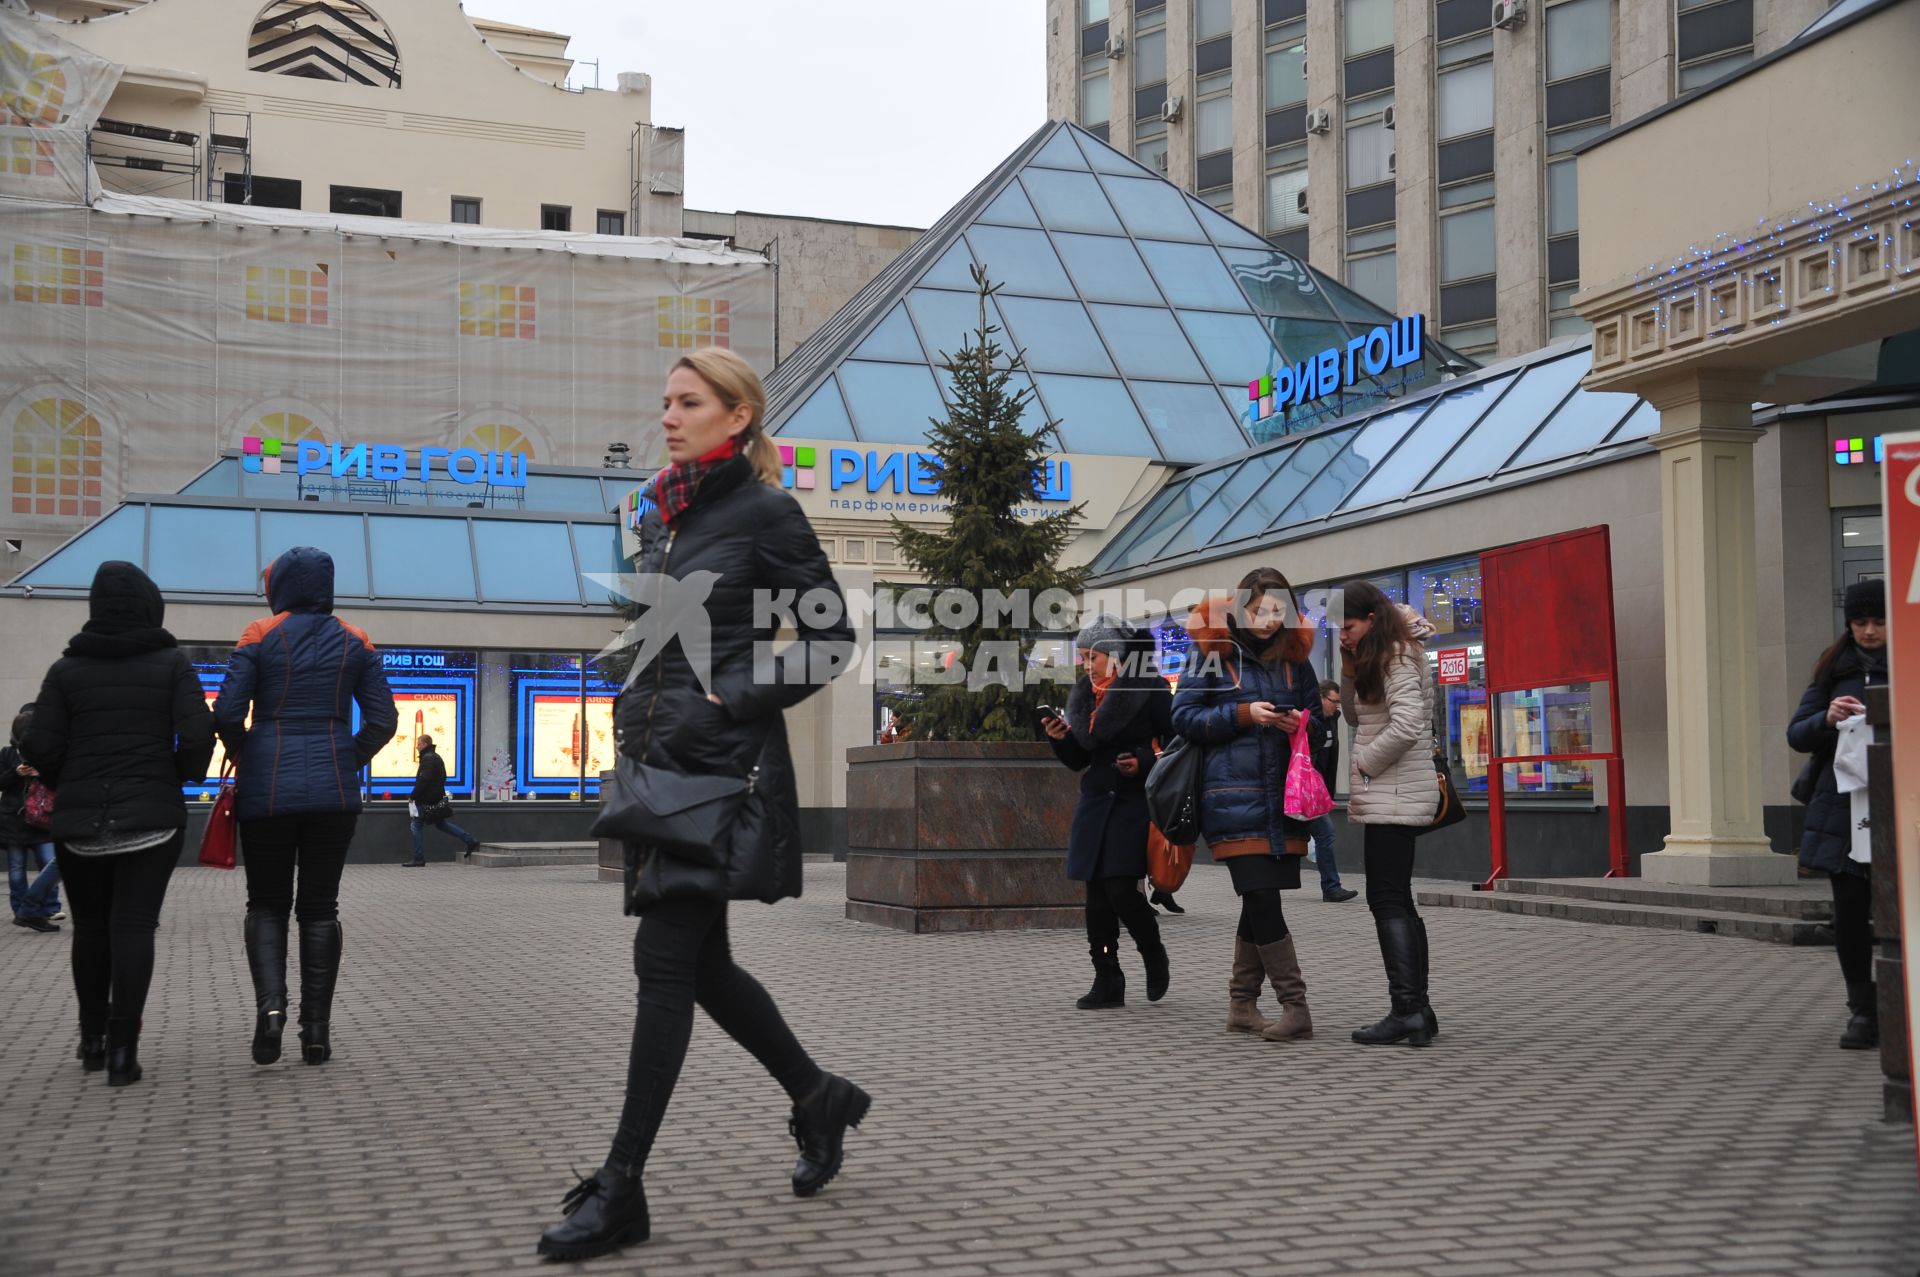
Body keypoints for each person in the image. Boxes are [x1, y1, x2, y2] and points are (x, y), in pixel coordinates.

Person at [538, 348, 864, 1262]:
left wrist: (738, 692)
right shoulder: (667, 519)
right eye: (667, 403)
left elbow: (832, 636)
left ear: (739, 416)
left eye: (689, 402)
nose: (670, 417)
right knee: (705, 966)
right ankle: (818, 1096)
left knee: (664, 963)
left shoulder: (765, 511)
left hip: (717, 774)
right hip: (659, 767)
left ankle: (621, 1187)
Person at [23, 561, 214, 1085]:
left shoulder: (66, 671)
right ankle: (124, 1054)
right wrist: (173, 778)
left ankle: (92, 1039)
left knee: (90, 928)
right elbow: (198, 735)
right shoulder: (172, 664)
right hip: (152, 818)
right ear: (152, 606)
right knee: (133, 926)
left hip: (78, 822)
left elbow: (37, 743)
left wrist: (70, 780)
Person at [213, 546, 397, 1068]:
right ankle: (316, 1031)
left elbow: (226, 711)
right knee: (320, 908)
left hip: (266, 790)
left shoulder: (258, 635)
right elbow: (384, 720)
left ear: (280, 587)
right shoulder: (356, 640)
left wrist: (247, 751)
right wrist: (346, 757)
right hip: (334, 795)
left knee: (266, 904)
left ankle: (270, 1011)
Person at [1170, 568, 1321, 1043]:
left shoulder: (1297, 661)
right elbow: (1184, 718)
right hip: (1231, 798)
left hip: (1284, 801)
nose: (1269, 619)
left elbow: (1319, 724)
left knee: (1258, 900)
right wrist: (1243, 714)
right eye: (1260, 610)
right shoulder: (1214, 655)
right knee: (1259, 894)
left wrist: (1299, 723)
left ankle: (1241, 1005)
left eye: (1278, 610)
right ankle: (1295, 1006)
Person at [1042, 614, 1172, 1010]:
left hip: (1134, 802)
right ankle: (1107, 975)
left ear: (1113, 656)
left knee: (1120, 888)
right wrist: (1060, 740)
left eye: (1091, 657)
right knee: (1096, 897)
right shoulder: (1084, 694)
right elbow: (1080, 758)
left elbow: (1176, 743)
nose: (1086, 665)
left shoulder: (1150, 688)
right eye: (1082, 657)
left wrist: (1144, 761)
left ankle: (1152, 951)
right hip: (1095, 800)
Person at [1338, 581, 1441, 1047]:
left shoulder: (1397, 655)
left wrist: (1364, 763)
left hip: (1393, 794)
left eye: (1349, 627)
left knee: (1387, 899)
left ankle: (1406, 1009)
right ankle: (1417, 1008)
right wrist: (1348, 665)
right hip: (1390, 794)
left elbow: (1406, 725)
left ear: (1372, 621)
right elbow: (1355, 718)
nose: (1343, 634)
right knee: (1398, 897)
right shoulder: (1381, 654)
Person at [1787, 578, 1886, 1050]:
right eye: (1860, 621)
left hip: (1902, 803)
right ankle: (1863, 1011)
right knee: (1849, 911)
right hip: (1844, 810)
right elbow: (1797, 733)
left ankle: (1901, 1003)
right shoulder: (1833, 669)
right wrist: (1826, 719)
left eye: (1879, 621)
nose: (1869, 631)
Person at [4, 706, 62, 932]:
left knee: (51, 862)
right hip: (14, 819)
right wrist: (16, 773)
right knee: (17, 868)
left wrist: (42, 772)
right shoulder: (7, 754)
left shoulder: (46, 755)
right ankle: (22, 909)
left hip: (42, 819)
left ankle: (48, 907)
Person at [1307, 680, 1359, 903]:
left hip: (1320, 793)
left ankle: (1330, 886)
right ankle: (1331, 887)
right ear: (1320, 698)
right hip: (1304, 790)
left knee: (1321, 835)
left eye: (1339, 702)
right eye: (1333, 701)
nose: (1336, 706)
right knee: (1324, 835)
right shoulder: (1308, 721)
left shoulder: (1333, 721)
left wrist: (1328, 792)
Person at [403, 735, 479, 866]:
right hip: (433, 798)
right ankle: (470, 840)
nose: (417, 746)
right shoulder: (434, 757)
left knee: (416, 826)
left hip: (425, 799)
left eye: (419, 744)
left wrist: (413, 796)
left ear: (425, 744)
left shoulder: (428, 759)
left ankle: (418, 858)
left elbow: (424, 780)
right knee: (441, 824)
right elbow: (442, 778)